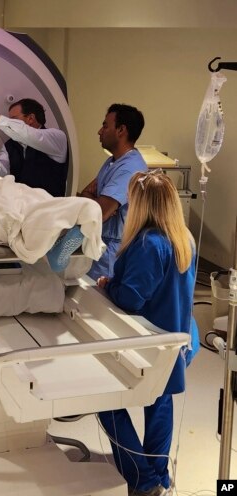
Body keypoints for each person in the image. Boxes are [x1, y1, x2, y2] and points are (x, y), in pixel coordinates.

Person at [96, 170, 199, 496]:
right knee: (159, 403)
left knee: (108, 403)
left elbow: (131, 297)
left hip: (147, 344)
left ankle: (142, 480)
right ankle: (158, 477)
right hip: (176, 339)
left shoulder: (148, 244)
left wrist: (107, 286)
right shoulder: (183, 238)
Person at [79, 103, 148, 280]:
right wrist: (93, 199)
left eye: (105, 126)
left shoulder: (129, 168)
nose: (99, 131)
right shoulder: (112, 162)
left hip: (113, 251)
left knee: (102, 301)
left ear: (121, 130)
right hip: (101, 242)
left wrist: (95, 202)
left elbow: (99, 212)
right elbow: (86, 193)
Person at [0, 98, 68, 196]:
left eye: (13, 119)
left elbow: (28, 134)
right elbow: (0, 176)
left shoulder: (57, 137)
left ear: (31, 118)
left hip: (50, 205)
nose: (10, 123)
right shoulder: (9, 146)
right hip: (19, 206)